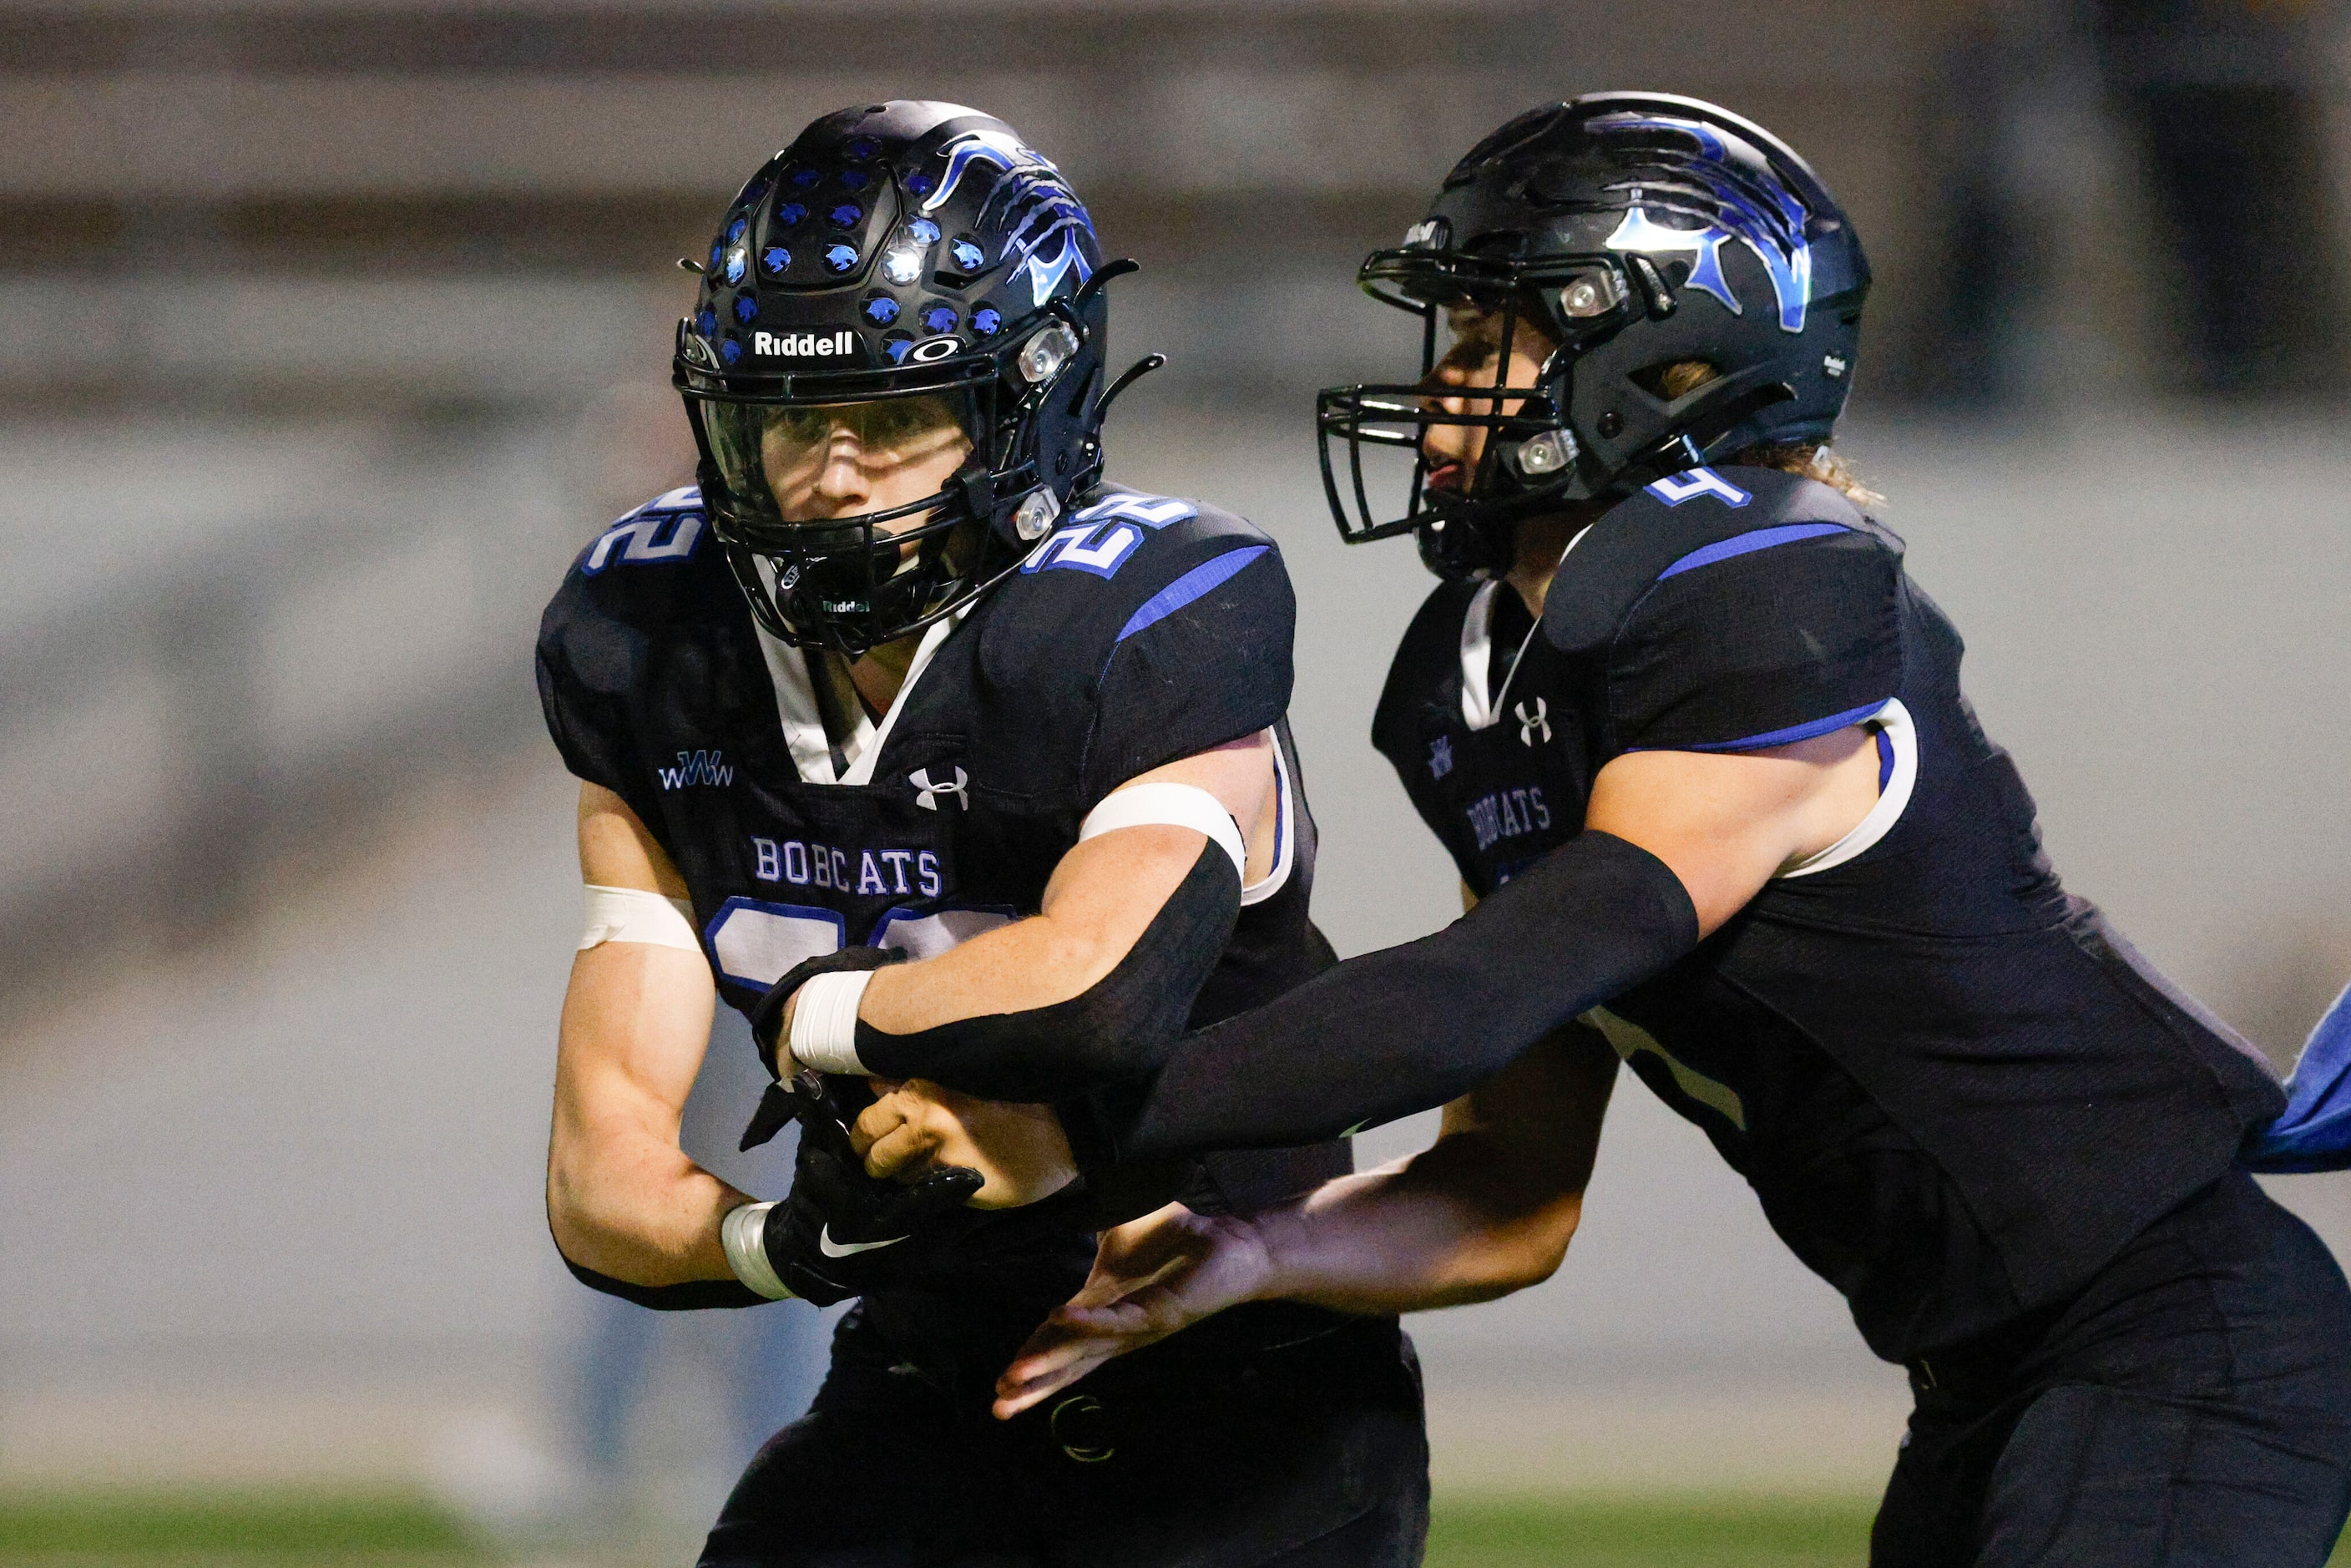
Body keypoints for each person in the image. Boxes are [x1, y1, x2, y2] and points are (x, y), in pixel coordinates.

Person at [840, 94, 2351, 1565]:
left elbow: (1488, 980)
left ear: (1676, 368)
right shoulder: (1476, 677)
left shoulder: (1768, 584)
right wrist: (1262, 1252)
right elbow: (1511, 1187)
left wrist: (1071, 1110)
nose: (1444, 386)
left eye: (1495, 339)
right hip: (1990, 1389)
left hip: (2178, 1337)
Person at [534, 100, 1428, 1567]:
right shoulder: (649, 637)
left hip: (1242, 1393)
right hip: (930, 1380)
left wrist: (837, 1020)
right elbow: (597, 1169)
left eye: (889, 420)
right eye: (784, 421)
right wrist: (775, 1241)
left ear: (1027, 405)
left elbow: (1092, 995)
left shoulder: (1146, 616)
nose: (829, 477)